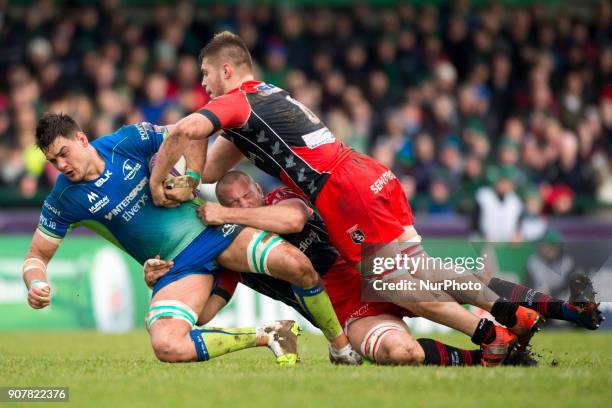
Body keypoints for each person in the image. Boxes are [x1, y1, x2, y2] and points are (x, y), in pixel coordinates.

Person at [149, 31, 548, 363]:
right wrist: (194, 177)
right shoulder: (263, 101)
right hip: (361, 172)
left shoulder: (235, 102)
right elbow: (208, 156)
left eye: (205, 75)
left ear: (226, 70)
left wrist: (155, 176)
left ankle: (492, 335)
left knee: (390, 282)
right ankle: (515, 314)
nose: (203, 85)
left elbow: (186, 130)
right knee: (418, 268)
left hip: (340, 189)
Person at [23, 112, 361, 366]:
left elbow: (193, 133)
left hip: (214, 233)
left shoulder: (127, 141)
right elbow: (36, 256)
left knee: (296, 265)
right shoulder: (63, 199)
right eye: (53, 160)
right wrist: (35, 282)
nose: (61, 165)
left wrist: (192, 176)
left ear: (82, 139)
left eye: (64, 153)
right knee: (168, 345)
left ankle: (341, 347)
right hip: (176, 268)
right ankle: (270, 334)